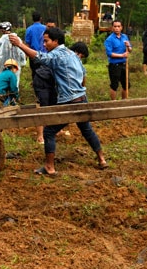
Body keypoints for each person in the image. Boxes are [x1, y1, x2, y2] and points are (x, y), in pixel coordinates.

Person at [9, 27, 108, 175]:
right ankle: (102, 159)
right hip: (81, 98)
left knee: (48, 132)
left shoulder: (57, 55)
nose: (44, 44)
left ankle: (49, 167)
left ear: (55, 41)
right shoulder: (72, 54)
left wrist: (20, 44)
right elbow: (83, 75)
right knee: (86, 129)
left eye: (46, 41)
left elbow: (39, 57)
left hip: (69, 100)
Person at [104, 20, 132, 100]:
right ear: (112, 28)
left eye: (118, 26)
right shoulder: (109, 39)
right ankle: (114, 103)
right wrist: (122, 55)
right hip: (114, 65)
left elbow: (130, 49)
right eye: (115, 26)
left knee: (126, 84)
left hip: (124, 64)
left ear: (121, 27)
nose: (117, 28)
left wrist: (128, 46)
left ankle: (124, 102)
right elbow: (109, 53)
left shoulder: (125, 37)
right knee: (114, 85)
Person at [0, 22, 26, 88]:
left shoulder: (0, 41)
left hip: (2, 65)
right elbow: (22, 53)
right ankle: (14, 95)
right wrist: (22, 62)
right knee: (15, 80)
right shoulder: (17, 39)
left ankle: (3, 95)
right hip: (15, 64)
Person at [24, 11, 47, 78]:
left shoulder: (29, 29)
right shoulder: (45, 28)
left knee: (35, 72)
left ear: (32, 19)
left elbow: (27, 43)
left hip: (33, 55)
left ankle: (36, 84)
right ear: (41, 18)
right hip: (45, 54)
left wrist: (25, 56)